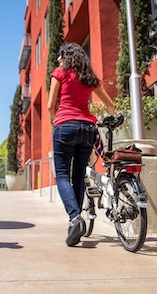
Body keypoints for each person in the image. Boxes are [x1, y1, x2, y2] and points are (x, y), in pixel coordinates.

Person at [47, 42, 115, 247]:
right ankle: (74, 222)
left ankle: (75, 218)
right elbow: (110, 104)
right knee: (78, 176)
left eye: (60, 56)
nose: (58, 60)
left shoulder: (60, 73)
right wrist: (112, 116)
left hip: (65, 126)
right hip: (87, 129)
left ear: (66, 57)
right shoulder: (89, 77)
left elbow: (51, 105)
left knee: (61, 175)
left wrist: (55, 121)